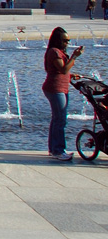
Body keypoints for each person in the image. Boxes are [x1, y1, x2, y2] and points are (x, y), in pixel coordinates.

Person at [42, 26, 82, 161]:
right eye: (65, 41)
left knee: (57, 119)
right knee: (60, 120)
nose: (67, 43)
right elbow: (63, 69)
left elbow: (62, 72)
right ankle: (58, 151)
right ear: (58, 40)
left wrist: (71, 76)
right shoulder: (54, 52)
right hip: (55, 89)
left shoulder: (59, 52)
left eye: (68, 41)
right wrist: (74, 56)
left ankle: (54, 149)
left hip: (61, 88)